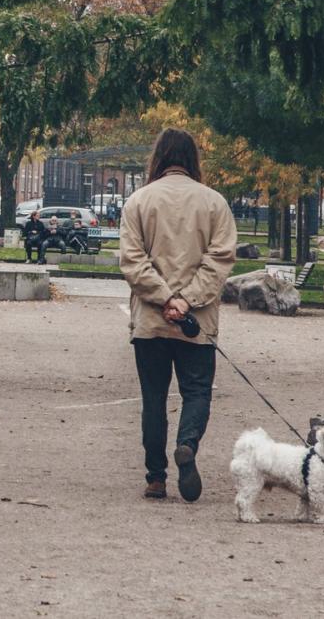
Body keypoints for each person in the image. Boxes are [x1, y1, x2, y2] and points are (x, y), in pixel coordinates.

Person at [119, 128, 237, 502]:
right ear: (192, 159)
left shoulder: (138, 201)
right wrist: (186, 301)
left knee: (153, 398)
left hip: (151, 321)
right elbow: (219, 261)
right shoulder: (215, 203)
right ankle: (187, 444)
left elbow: (132, 262)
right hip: (196, 323)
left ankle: (156, 477)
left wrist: (164, 297)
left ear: (159, 157)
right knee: (197, 390)